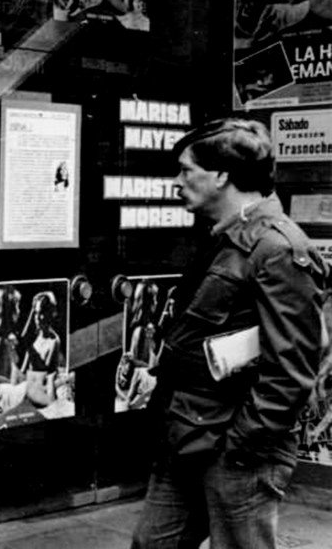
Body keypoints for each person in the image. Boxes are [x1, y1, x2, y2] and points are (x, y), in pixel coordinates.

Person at [131, 118, 327, 549]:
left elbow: (291, 371)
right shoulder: (224, 237)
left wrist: (240, 445)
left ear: (221, 176)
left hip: (234, 449)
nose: (177, 182)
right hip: (190, 433)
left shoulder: (278, 249)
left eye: (186, 170)